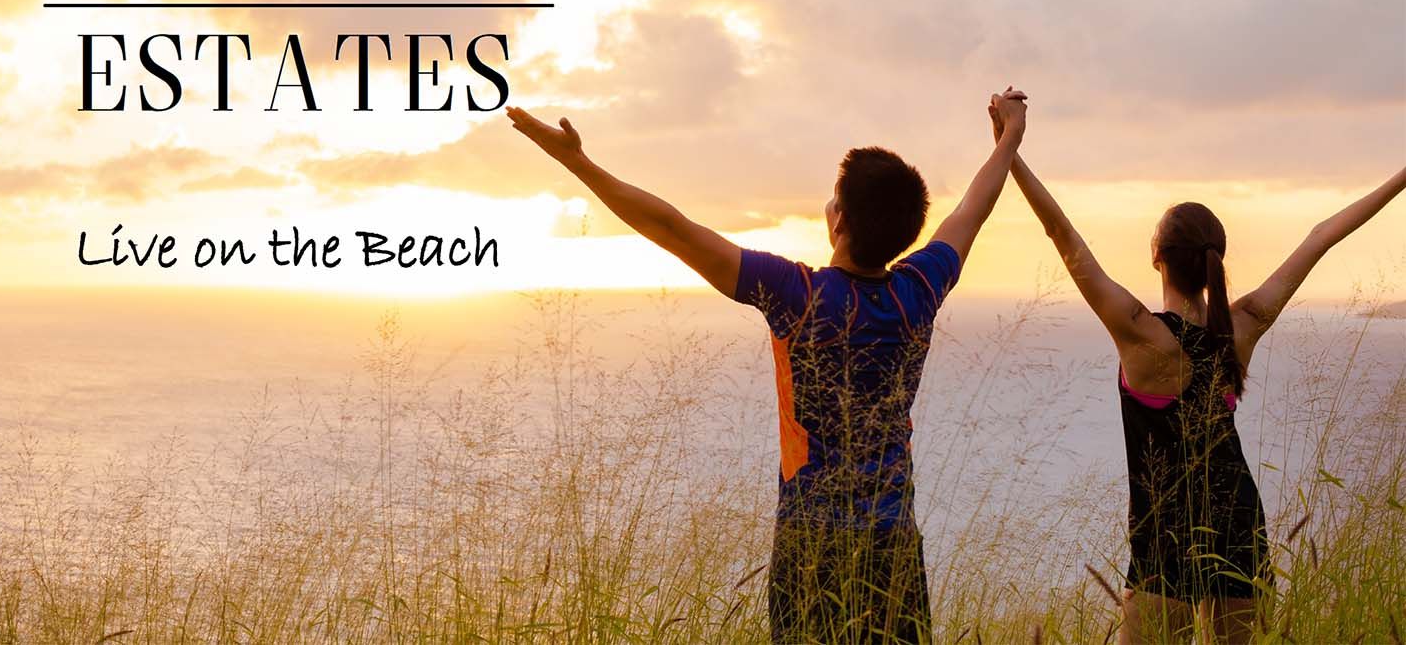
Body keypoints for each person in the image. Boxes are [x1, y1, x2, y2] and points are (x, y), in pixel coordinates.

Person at [508, 91, 1029, 644]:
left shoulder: (797, 294)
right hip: (893, 545)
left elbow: (675, 229)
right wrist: (1010, 139)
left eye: (833, 199)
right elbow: (972, 210)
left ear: (840, 221)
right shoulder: (920, 288)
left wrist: (577, 163)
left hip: (811, 548)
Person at [987, 92, 1405, 644]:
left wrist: (1009, 146)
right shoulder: (1243, 324)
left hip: (1163, 541)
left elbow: (1062, 236)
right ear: (1216, 261)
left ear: (1156, 253)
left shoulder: (1138, 330)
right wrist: (1401, 175)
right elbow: (1321, 236)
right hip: (1238, 527)